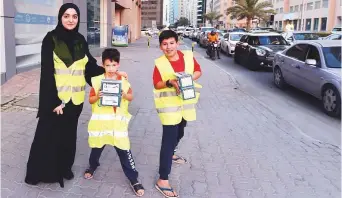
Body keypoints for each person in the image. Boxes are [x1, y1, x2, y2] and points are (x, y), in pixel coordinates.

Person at [25, 3, 107, 188]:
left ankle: (64, 168)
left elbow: (89, 67)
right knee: (47, 136)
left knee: (68, 137)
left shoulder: (80, 40)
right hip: (57, 101)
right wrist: (53, 101)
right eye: (67, 16)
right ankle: (40, 172)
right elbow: (46, 73)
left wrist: (108, 73)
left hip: (75, 101)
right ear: (60, 18)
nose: (71, 20)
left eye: (74, 16)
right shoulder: (51, 39)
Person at [83, 48, 145, 197]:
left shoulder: (123, 81)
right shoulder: (97, 81)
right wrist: (97, 96)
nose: (111, 69)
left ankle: (133, 178)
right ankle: (92, 166)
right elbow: (90, 99)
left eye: (114, 65)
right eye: (107, 65)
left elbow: (130, 97)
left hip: (118, 126)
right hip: (101, 125)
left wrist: (124, 94)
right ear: (103, 65)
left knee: (124, 151)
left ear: (118, 65)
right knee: (97, 147)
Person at [153, 30, 202, 197]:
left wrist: (188, 78)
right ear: (161, 46)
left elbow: (198, 71)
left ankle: (172, 153)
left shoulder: (187, 57)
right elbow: (157, 84)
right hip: (168, 108)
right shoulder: (159, 63)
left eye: (171, 43)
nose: (168, 47)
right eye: (165, 44)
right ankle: (163, 179)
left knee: (180, 133)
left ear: (177, 43)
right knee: (168, 141)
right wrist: (169, 82)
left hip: (185, 106)